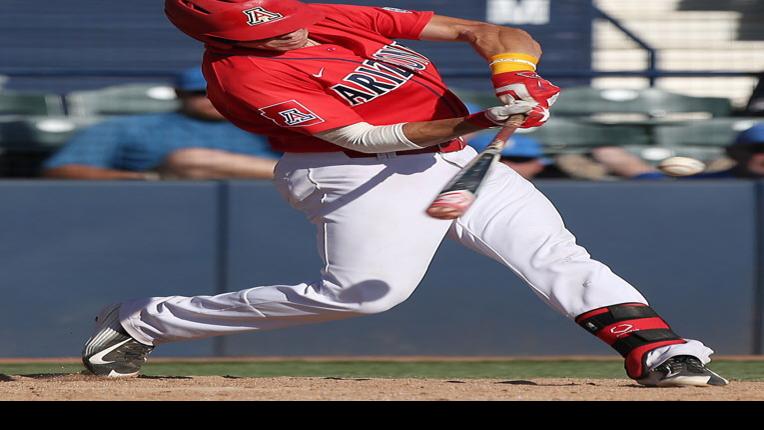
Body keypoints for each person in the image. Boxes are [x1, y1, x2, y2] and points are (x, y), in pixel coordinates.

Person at [81, 0, 727, 387]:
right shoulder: (243, 75)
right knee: (365, 296)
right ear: (221, 38)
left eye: (294, 16)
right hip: (354, 173)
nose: (297, 31)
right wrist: (486, 117)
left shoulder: (323, 16)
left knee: (551, 251)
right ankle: (141, 320)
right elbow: (369, 136)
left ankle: (658, 350)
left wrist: (514, 78)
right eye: (276, 30)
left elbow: (489, 33)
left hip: (453, 157)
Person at [43, 67, 281, 180]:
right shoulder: (131, 127)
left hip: (265, 202)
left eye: (222, 92)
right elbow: (62, 170)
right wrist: (142, 179)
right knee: (189, 160)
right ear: (179, 94)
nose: (211, 98)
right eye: (200, 92)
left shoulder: (267, 126)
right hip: (163, 204)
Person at [592, 123, 764, 179]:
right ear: (736, 152)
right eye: (759, 149)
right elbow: (665, 187)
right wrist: (627, 164)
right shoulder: (718, 183)